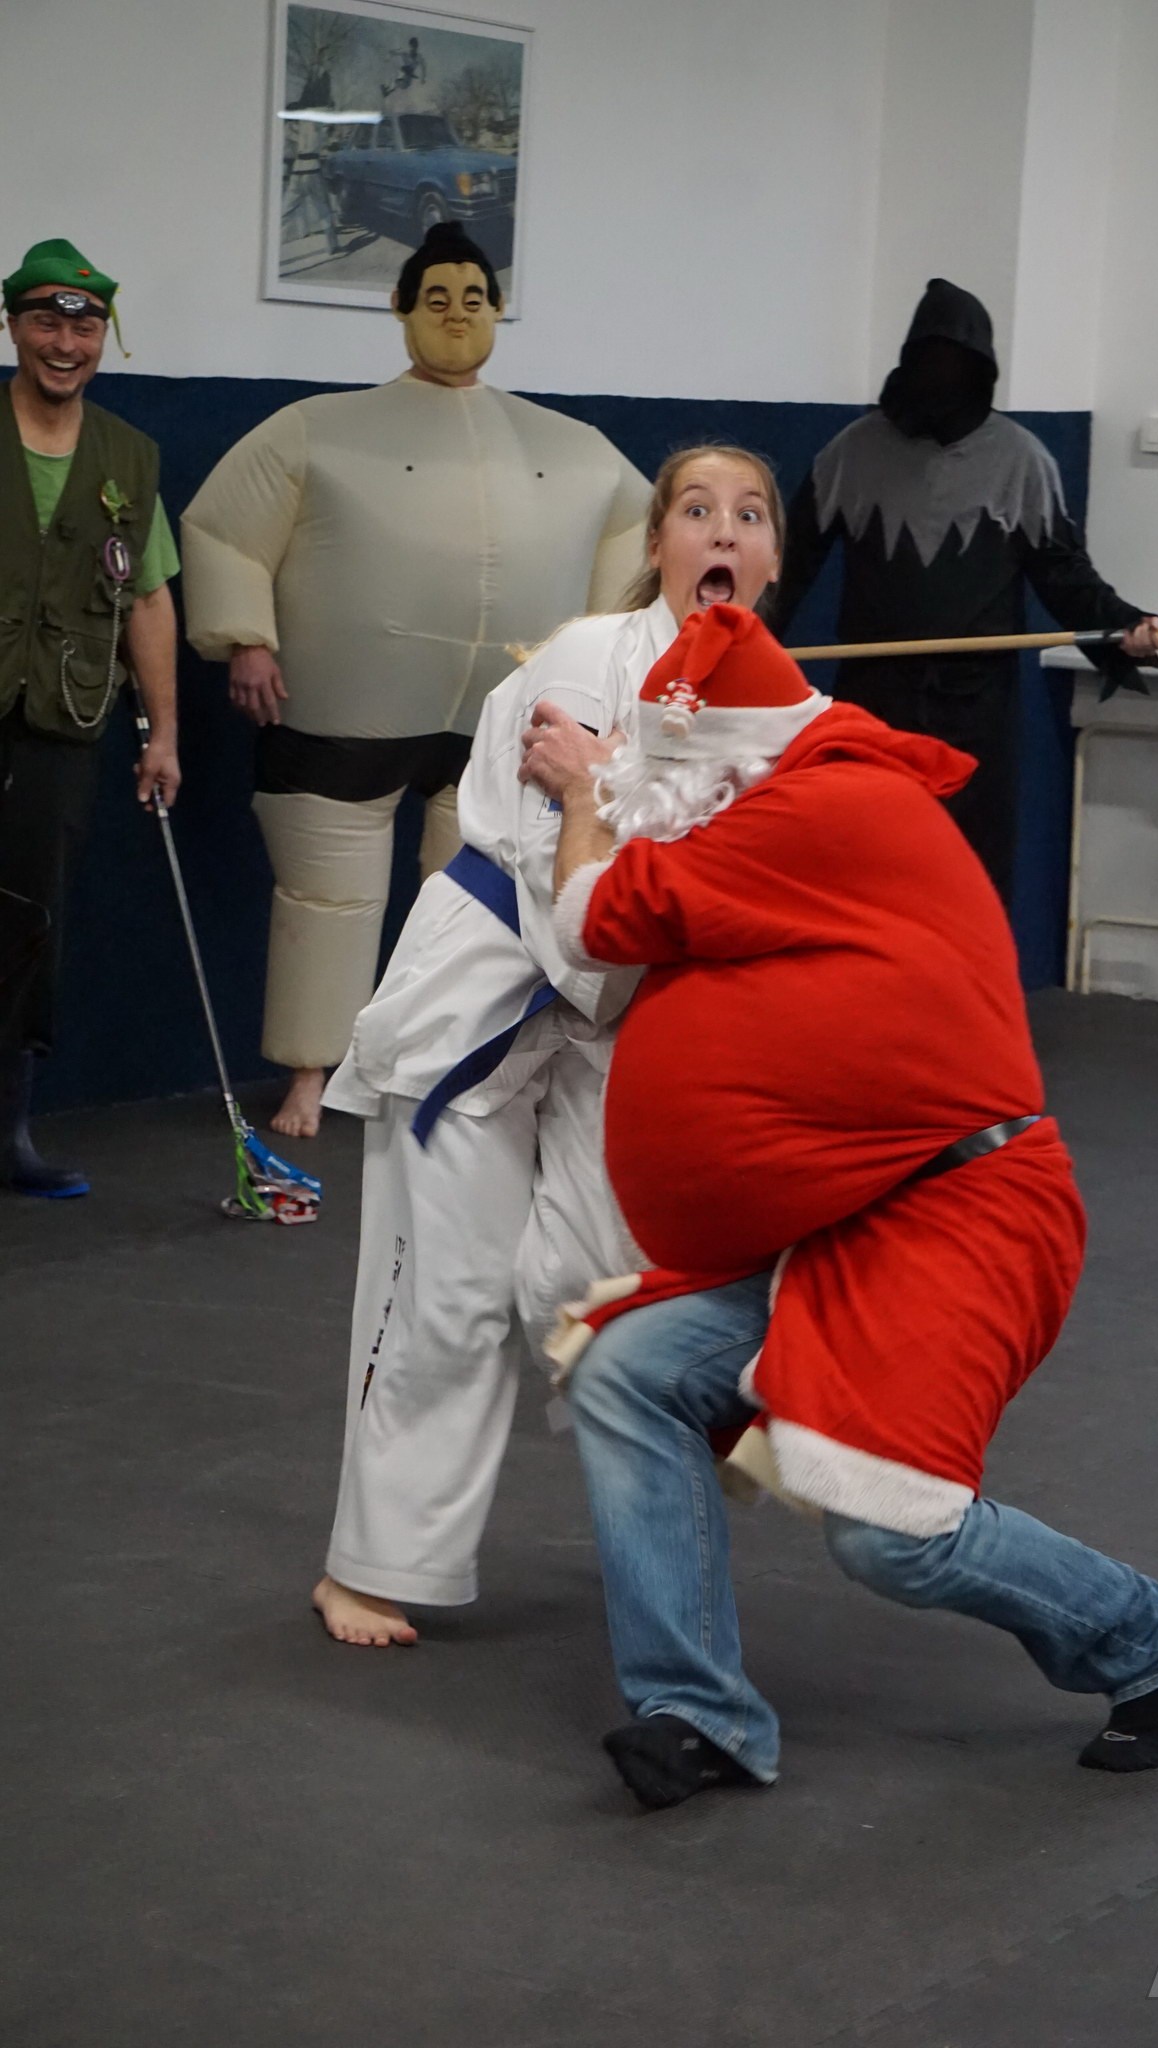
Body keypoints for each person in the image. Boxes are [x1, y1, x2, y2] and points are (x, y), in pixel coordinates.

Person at [520, 603, 1158, 1810]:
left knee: (892, 1530)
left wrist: (584, 790)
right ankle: (697, 1710)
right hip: (844, 1217)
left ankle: (1153, 1640)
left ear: (728, 754)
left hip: (962, 1210)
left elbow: (596, 919)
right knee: (630, 1368)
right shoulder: (780, 796)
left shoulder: (826, 806)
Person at [311, 446, 785, 1646]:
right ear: (659, 546)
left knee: (606, 1272)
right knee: (451, 1293)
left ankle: (699, 1431)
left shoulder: (767, 718)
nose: (723, 530)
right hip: (485, 993)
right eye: (697, 510)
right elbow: (554, 871)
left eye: (749, 514)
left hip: (614, 1010)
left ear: (772, 559)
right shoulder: (586, 659)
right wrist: (607, 792)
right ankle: (373, 1560)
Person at [181, 224, 649, 1139]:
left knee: (472, 902)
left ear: (498, 311)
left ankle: (441, 1062)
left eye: (474, 299)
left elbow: (636, 529)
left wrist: (604, 667)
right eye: (436, 298)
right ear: (400, 309)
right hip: (342, 708)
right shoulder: (317, 430)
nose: (457, 315)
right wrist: (246, 638)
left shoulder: (573, 447)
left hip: (501, 718)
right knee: (327, 902)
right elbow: (224, 530)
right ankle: (312, 1074)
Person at [769, 276, 1158, 897]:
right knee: (864, 862)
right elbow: (788, 568)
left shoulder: (1021, 460)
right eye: (928, 360)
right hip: (874, 696)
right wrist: (744, 649)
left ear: (980, 370)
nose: (939, 377)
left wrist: (1122, 625)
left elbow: (1063, 572)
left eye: (953, 362)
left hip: (976, 704)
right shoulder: (852, 453)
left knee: (967, 873)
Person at [1, 239, 181, 1199]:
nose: (65, 344)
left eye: (84, 327)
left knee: (30, 926)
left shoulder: (129, 459)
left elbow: (147, 600)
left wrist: (165, 736)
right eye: (45, 322)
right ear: (13, 327)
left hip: (62, 719)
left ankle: (7, 1132)